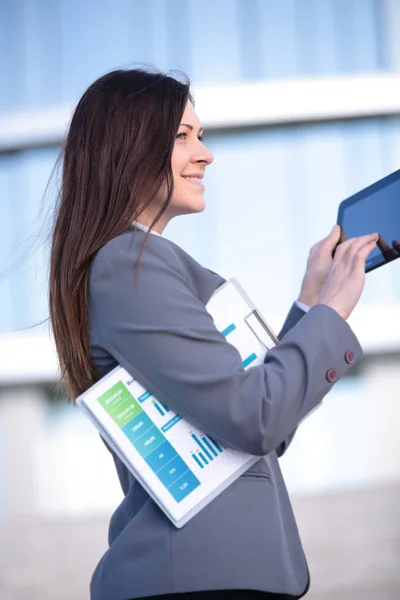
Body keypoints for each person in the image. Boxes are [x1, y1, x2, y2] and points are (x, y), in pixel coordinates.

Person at [48, 68, 378, 600]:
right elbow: (257, 417)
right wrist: (333, 313)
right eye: (183, 136)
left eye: (198, 135)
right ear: (126, 146)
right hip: (197, 578)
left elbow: (268, 423)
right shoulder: (131, 261)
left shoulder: (138, 262)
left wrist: (311, 301)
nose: (206, 154)